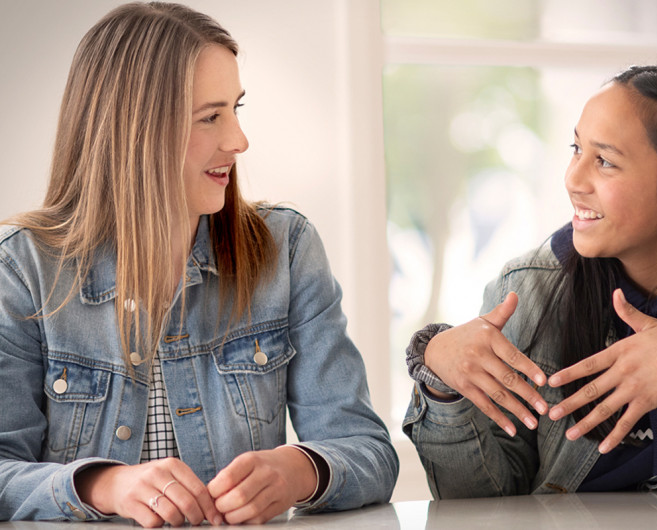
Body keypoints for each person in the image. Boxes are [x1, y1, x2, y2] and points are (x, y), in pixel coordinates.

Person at [0, 2, 397, 525]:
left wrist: (296, 469)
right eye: (210, 117)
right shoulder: (23, 270)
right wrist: (108, 485)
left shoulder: (288, 248)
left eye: (236, 108)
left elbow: (368, 450)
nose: (238, 140)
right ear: (133, 131)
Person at [403, 65, 657, 498]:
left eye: (605, 161)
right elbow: (476, 501)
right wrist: (440, 379)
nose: (572, 180)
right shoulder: (527, 290)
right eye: (576, 149)